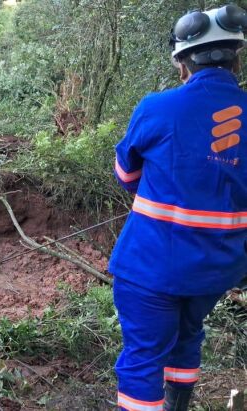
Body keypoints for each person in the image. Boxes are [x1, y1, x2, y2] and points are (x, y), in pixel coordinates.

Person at [109, 5, 247, 411]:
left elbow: (125, 174)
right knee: (187, 336)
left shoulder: (158, 108)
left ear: (183, 63)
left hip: (152, 265)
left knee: (143, 357)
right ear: (237, 57)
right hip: (217, 269)